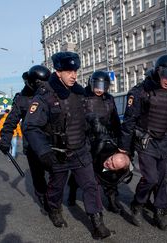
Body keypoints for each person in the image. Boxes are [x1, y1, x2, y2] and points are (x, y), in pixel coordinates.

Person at [23, 51, 111, 240]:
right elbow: (30, 126)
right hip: (58, 154)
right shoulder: (45, 95)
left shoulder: (78, 92)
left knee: (90, 185)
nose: (74, 75)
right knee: (56, 188)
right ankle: (54, 209)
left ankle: (97, 222)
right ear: (58, 71)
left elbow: (83, 114)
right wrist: (44, 151)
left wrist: (94, 121)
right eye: (69, 71)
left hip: (81, 150)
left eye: (75, 71)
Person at [119, 54, 167, 230]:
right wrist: (124, 149)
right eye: (166, 75)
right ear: (158, 72)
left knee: (161, 179)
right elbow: (129, 121)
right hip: (146, 141)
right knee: (151, 178)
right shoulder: (140, 92)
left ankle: (159, 210)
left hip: (166, 141)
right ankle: (138, 203)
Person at [67, 70, 125, 214]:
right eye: (97, 86)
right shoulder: (82, 97)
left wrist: (120, 140)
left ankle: (112, 200)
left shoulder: (109, 99)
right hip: (87, 140)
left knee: (110, 170)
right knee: (82, 170)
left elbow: (115, 120)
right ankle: (73, 191)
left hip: (106, 139)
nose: (100, 90)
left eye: (103, 86)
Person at [0, 65, 50, 211]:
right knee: (39, 177)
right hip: (32, 145)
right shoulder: (21, 99)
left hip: (51, 142)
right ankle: (44, 199)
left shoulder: (50, 95)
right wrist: (6, 141)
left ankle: (54, 199)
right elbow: (10, 123)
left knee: (57, 173)